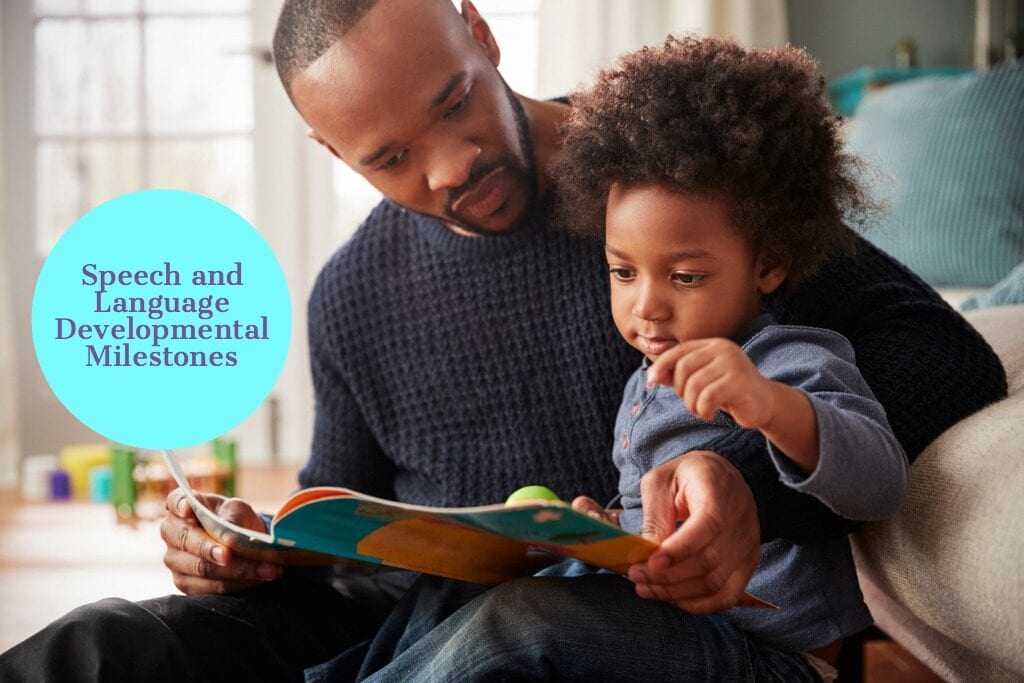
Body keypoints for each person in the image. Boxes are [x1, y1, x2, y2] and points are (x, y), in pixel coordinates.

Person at [0, 1, 1005, 681]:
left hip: (613, 626)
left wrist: (739, 470)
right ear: (329, 150)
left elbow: (941, 352)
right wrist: (248, 548)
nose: (449, 166)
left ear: (477, 29)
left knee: (511, 629)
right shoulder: (351, 293)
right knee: (102, 642)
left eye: (453, 103)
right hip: (413, 624)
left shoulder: (667, 191)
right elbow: (345, 521)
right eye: (389, 157)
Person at [339, 35, 910, 682]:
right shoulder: (645, 387)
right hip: (672, 630)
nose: (649, 307)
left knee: (519, 624)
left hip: (780, 656)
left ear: (770, 264)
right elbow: (659, 539)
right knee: (449, 594)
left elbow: (880, 481)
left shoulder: (787, 358)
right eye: (623, 271)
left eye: (686, 276)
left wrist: (775, 407)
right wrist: (603, 534)